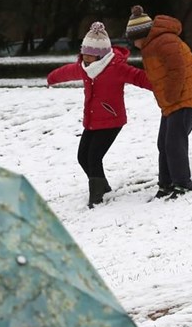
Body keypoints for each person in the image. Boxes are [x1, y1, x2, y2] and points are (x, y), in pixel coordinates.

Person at [47, 21, 152, 208]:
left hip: (112, 120)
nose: (86, 58)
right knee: (82, 157)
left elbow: (138, 77)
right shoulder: (84, 67)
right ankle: (103, 187)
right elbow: (67, 72)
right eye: (84, 53)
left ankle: (96, 197)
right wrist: (52, 78)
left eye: (91, 55)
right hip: (93, 121)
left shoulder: (116, 68)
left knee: (94, 157)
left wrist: (160, 84)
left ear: (101, 55)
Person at [125, 5, 192, 200]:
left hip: (186, 98)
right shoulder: (152, 45)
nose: (133, 44)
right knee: (164, 142)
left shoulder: (165, 42)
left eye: (133, 39)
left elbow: (176, 71)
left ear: (142, 35)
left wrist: (170, 96)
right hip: (174, 101)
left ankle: (182, 184)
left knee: (174, 142)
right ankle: (166, 183)